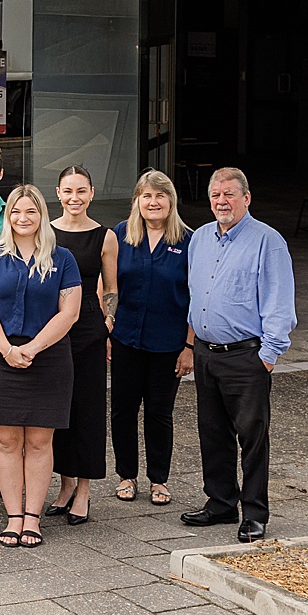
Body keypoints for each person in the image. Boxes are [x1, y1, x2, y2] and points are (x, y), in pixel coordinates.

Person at [182, 168, 297, 543]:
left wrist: (269, 355)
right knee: (212, 433)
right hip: (206, 352)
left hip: (246, 357)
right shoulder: (199, 238)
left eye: (229, 194)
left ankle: (254, 513)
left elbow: (279, 304)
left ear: (247, 198)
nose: (221, 201)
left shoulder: (268, 241)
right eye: (216, 194)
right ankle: (220, 503)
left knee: (252, 437)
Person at [0, 186, 82, 547]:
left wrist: (32, 347)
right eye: (16, 211)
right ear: (8, 216)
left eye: (30, 212)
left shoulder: (62, 258)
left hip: (47, 357)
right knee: (4, 441)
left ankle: (32, 517)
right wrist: (6, 349)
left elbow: (70, 312)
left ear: (41, 216)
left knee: (38, 440)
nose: (22, 218)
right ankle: (12, 516)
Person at [111, 170, 193, 507]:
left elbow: (197, 297)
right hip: (125, 339)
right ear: (137, 201)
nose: (153, 202)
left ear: (171, 201)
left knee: (160, 412)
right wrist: (107, 328)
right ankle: (126, 475)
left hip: (168, 344)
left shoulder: (189, 241)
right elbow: (108, 286)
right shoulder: (120, 235)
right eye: (146, 196)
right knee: (123, 410)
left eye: (160, 196)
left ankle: (159, 480)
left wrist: (189, 347)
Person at [46, 167, 119, 523]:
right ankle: (65, 483)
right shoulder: (48, 232)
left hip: (89, 327)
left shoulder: (105, 236)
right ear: (58, 193)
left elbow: (111, 286)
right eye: (68, 191)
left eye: (82, 191)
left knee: (88, 409)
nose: (74, 198)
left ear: (92, 193)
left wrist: (108, 324)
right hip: (54, 325)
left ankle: (84, 490)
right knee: (58, 408)